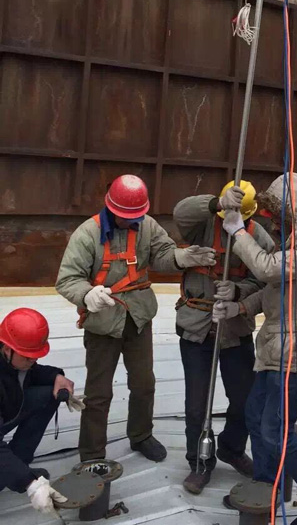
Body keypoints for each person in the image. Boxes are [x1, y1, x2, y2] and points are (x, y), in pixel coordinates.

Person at [56, 174, 216, 463]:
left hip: (138, 319)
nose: (133, 221)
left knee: (144, 384)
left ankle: (141, 435)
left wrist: (181, 258)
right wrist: (87, 294)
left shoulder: (147, 225)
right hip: (103, 323)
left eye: (137, 216)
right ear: (112, 209)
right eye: (127, 217)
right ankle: (92, 453)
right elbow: (67, 279)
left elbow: (162, 254)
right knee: (98, 393)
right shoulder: (87, 234)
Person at [214, 173, 297, 525]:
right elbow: (274, 288)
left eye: (279, 216)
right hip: (277, 347)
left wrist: (238, 232)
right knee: (256, 416)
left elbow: (268, 269)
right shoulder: (292, 241)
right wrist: (239, 306)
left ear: (295, 213)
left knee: (277, 430)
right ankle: (268, 486)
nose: (273, 222)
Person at [173, 180, 273, 494]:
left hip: (234, 330)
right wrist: (216, 203)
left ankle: (232, 447)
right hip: (196, 328)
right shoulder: (202, 224)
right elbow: (180, 212)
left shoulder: (258, 237)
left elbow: (266, 280)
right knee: (196, 405)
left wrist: (238, 291)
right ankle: (199, 461)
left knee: (245, 400)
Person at [0, 308, 82, 515]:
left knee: (48, 395)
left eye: (35, 356)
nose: (33, 362)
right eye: (28, 357)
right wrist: (30, 484)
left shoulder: (14, 360)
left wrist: (57, 377)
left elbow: (34, 372)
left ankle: (18, 463)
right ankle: (13, 473)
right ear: (7, 349)